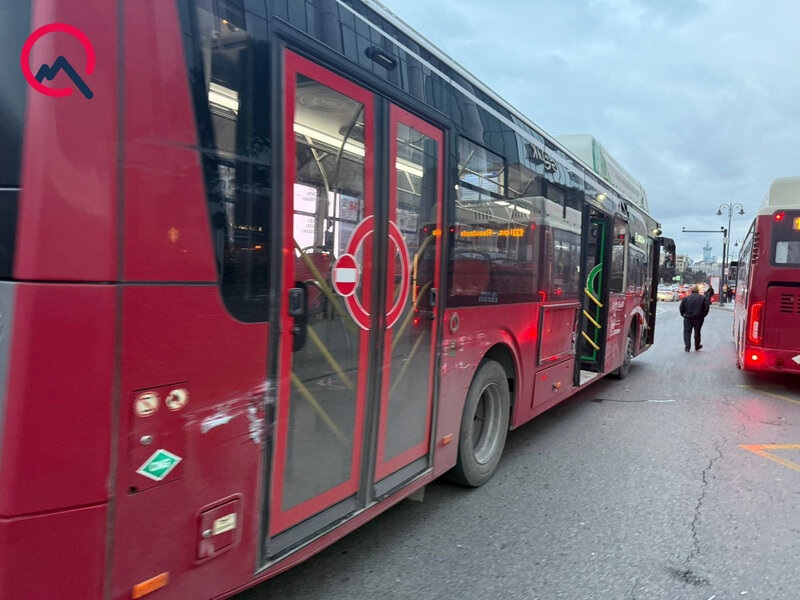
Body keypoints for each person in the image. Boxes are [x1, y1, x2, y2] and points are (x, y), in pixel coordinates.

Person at [680, 285, 710, 352]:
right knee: (697, 332)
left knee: (687, 332)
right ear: (698, 290)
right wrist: (702, 315)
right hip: (698, 318)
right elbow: (706, 308)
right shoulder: (703, 298)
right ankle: (697, 345)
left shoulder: (686, 298)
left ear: (691, 290)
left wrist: (684, 315)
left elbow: (681, 308)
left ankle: (687, 347)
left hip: (688, 317)